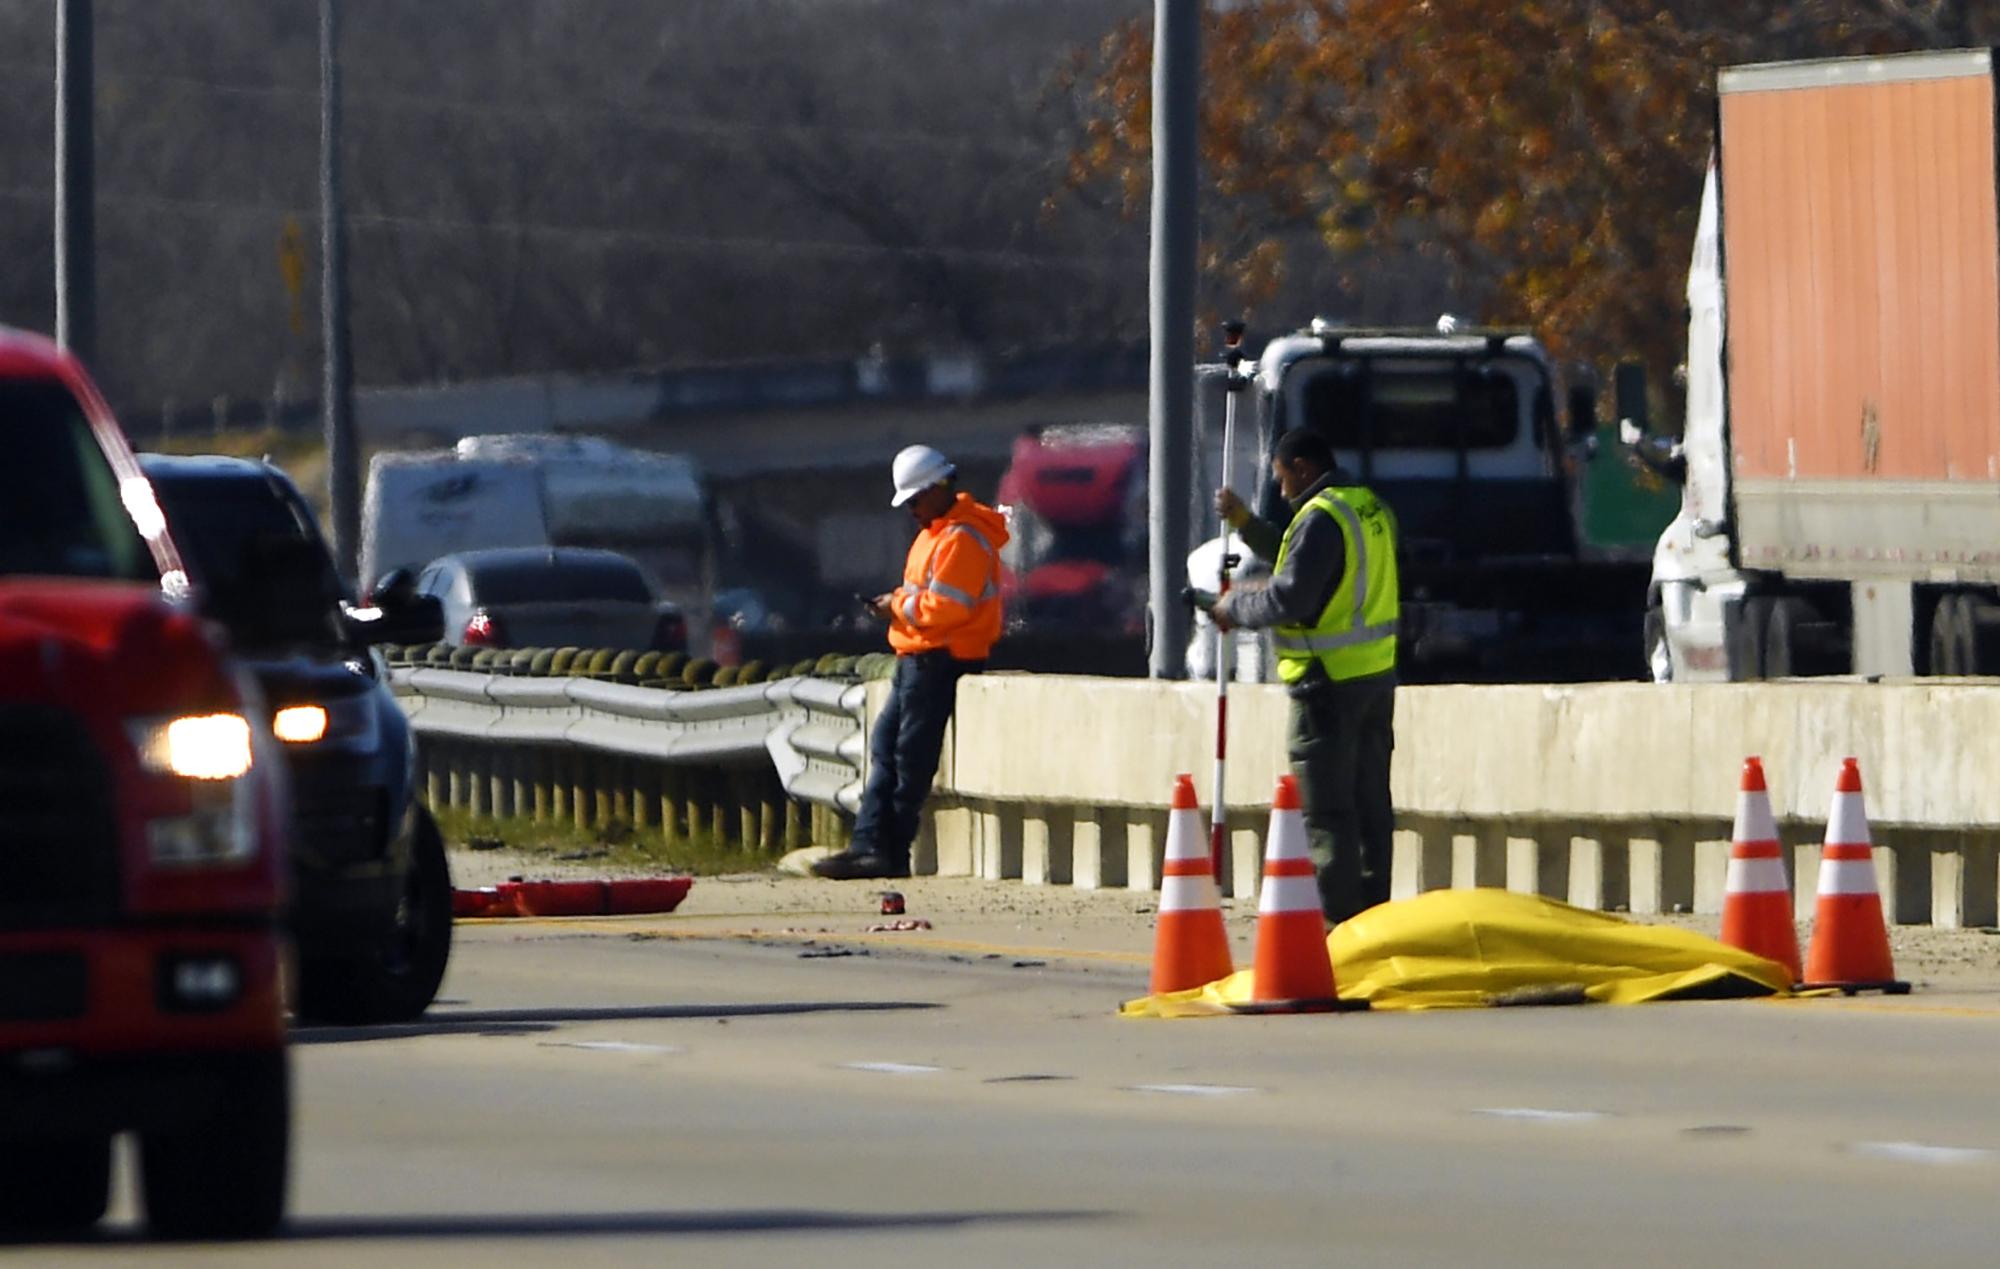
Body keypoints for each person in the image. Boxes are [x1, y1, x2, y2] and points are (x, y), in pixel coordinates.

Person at [1195, 428, 1400, 924]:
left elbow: (1292, 596)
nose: (1281, 487)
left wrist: (1233, 607)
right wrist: (1245, 524)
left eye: (1283, 477)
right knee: (1371, 803)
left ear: (1303, 468)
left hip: (1325, 682)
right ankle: (1375, 920)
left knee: (1328, 811)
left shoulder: (1322, 518)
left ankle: (1336, 926)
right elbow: (1305, 560)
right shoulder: (1366, 506)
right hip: (1374, 676)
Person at [813, 444, 1010, 880]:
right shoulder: (937, 534)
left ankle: (889, 851)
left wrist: (896, 606)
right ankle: (867, 845)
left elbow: (947, 608)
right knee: (886, 751)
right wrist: (901, 606)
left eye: (916, 499)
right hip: (916, 658)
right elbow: (932, 600)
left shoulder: (963, 538)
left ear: (940, 488)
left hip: (942, 660)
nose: (912, 510)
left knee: (908, 759)